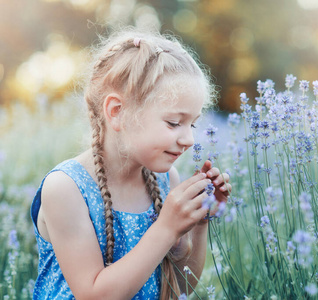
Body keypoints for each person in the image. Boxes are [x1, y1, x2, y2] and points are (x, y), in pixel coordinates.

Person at [30, 27, 231, 299]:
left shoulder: (164, 181)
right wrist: (167, 227)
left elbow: (180, 288)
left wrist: (199, 220)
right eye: (174, 123)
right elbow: (95, 295)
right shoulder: (66, 188)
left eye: (192, 124)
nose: (189, 139)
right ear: (117, 112)